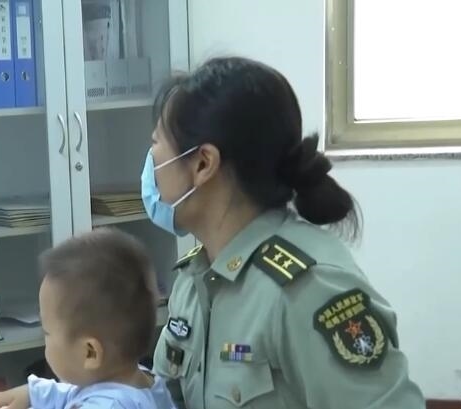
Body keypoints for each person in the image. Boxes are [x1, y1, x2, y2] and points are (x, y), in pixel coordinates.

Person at [142, 56, 425, 409]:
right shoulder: (195, 278)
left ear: (203, 163)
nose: (150, 162)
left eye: (156, 143)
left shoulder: (308, 290)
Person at [0, 228, 177, 409]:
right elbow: (80, 392)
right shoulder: (138, 379)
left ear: (90, 352)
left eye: (47, 332)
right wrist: (33, 393)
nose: (44, 340)